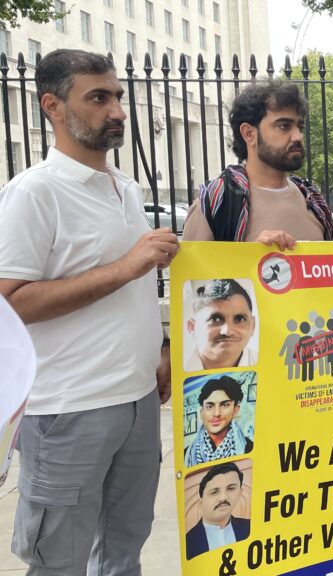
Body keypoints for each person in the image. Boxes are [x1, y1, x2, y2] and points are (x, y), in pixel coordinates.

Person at [0, 49, 179, 574]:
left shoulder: (126, 188)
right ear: (52, 106)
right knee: (60, 561)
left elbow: (138, 289)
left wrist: (160, 350)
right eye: (98, 98)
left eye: (118, 96)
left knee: (124, 552)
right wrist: (126, 267)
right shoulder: (33, 193)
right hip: (68, 409)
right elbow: (10, 303)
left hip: (140, 401)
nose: (117, 111)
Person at [183, 80, 333, 247]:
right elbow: (193, 271)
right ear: (249, 134)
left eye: (300, 127)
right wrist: (254, 259)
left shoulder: (313, 200)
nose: (298, 137)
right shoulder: (216, 204)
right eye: (284, 126)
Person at [185, 279, 257, 371]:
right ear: (192, 328)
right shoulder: (172, 372)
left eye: (239, 319)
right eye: (215, 319)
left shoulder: (271, 368)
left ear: (252, 325)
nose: (227, 331)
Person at [185, 462, 251, 560]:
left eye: (231, 488)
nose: (223, 497)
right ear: (201, 501)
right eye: (214, 492)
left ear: (240, 492)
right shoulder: (188, 541)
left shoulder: (250, 527)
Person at [185, 376, 254, 467]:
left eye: (225, 405)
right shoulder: (186, 454)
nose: (216, 413)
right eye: (210, 406)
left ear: (235, 410)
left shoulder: (248, 448)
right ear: (202, 413)